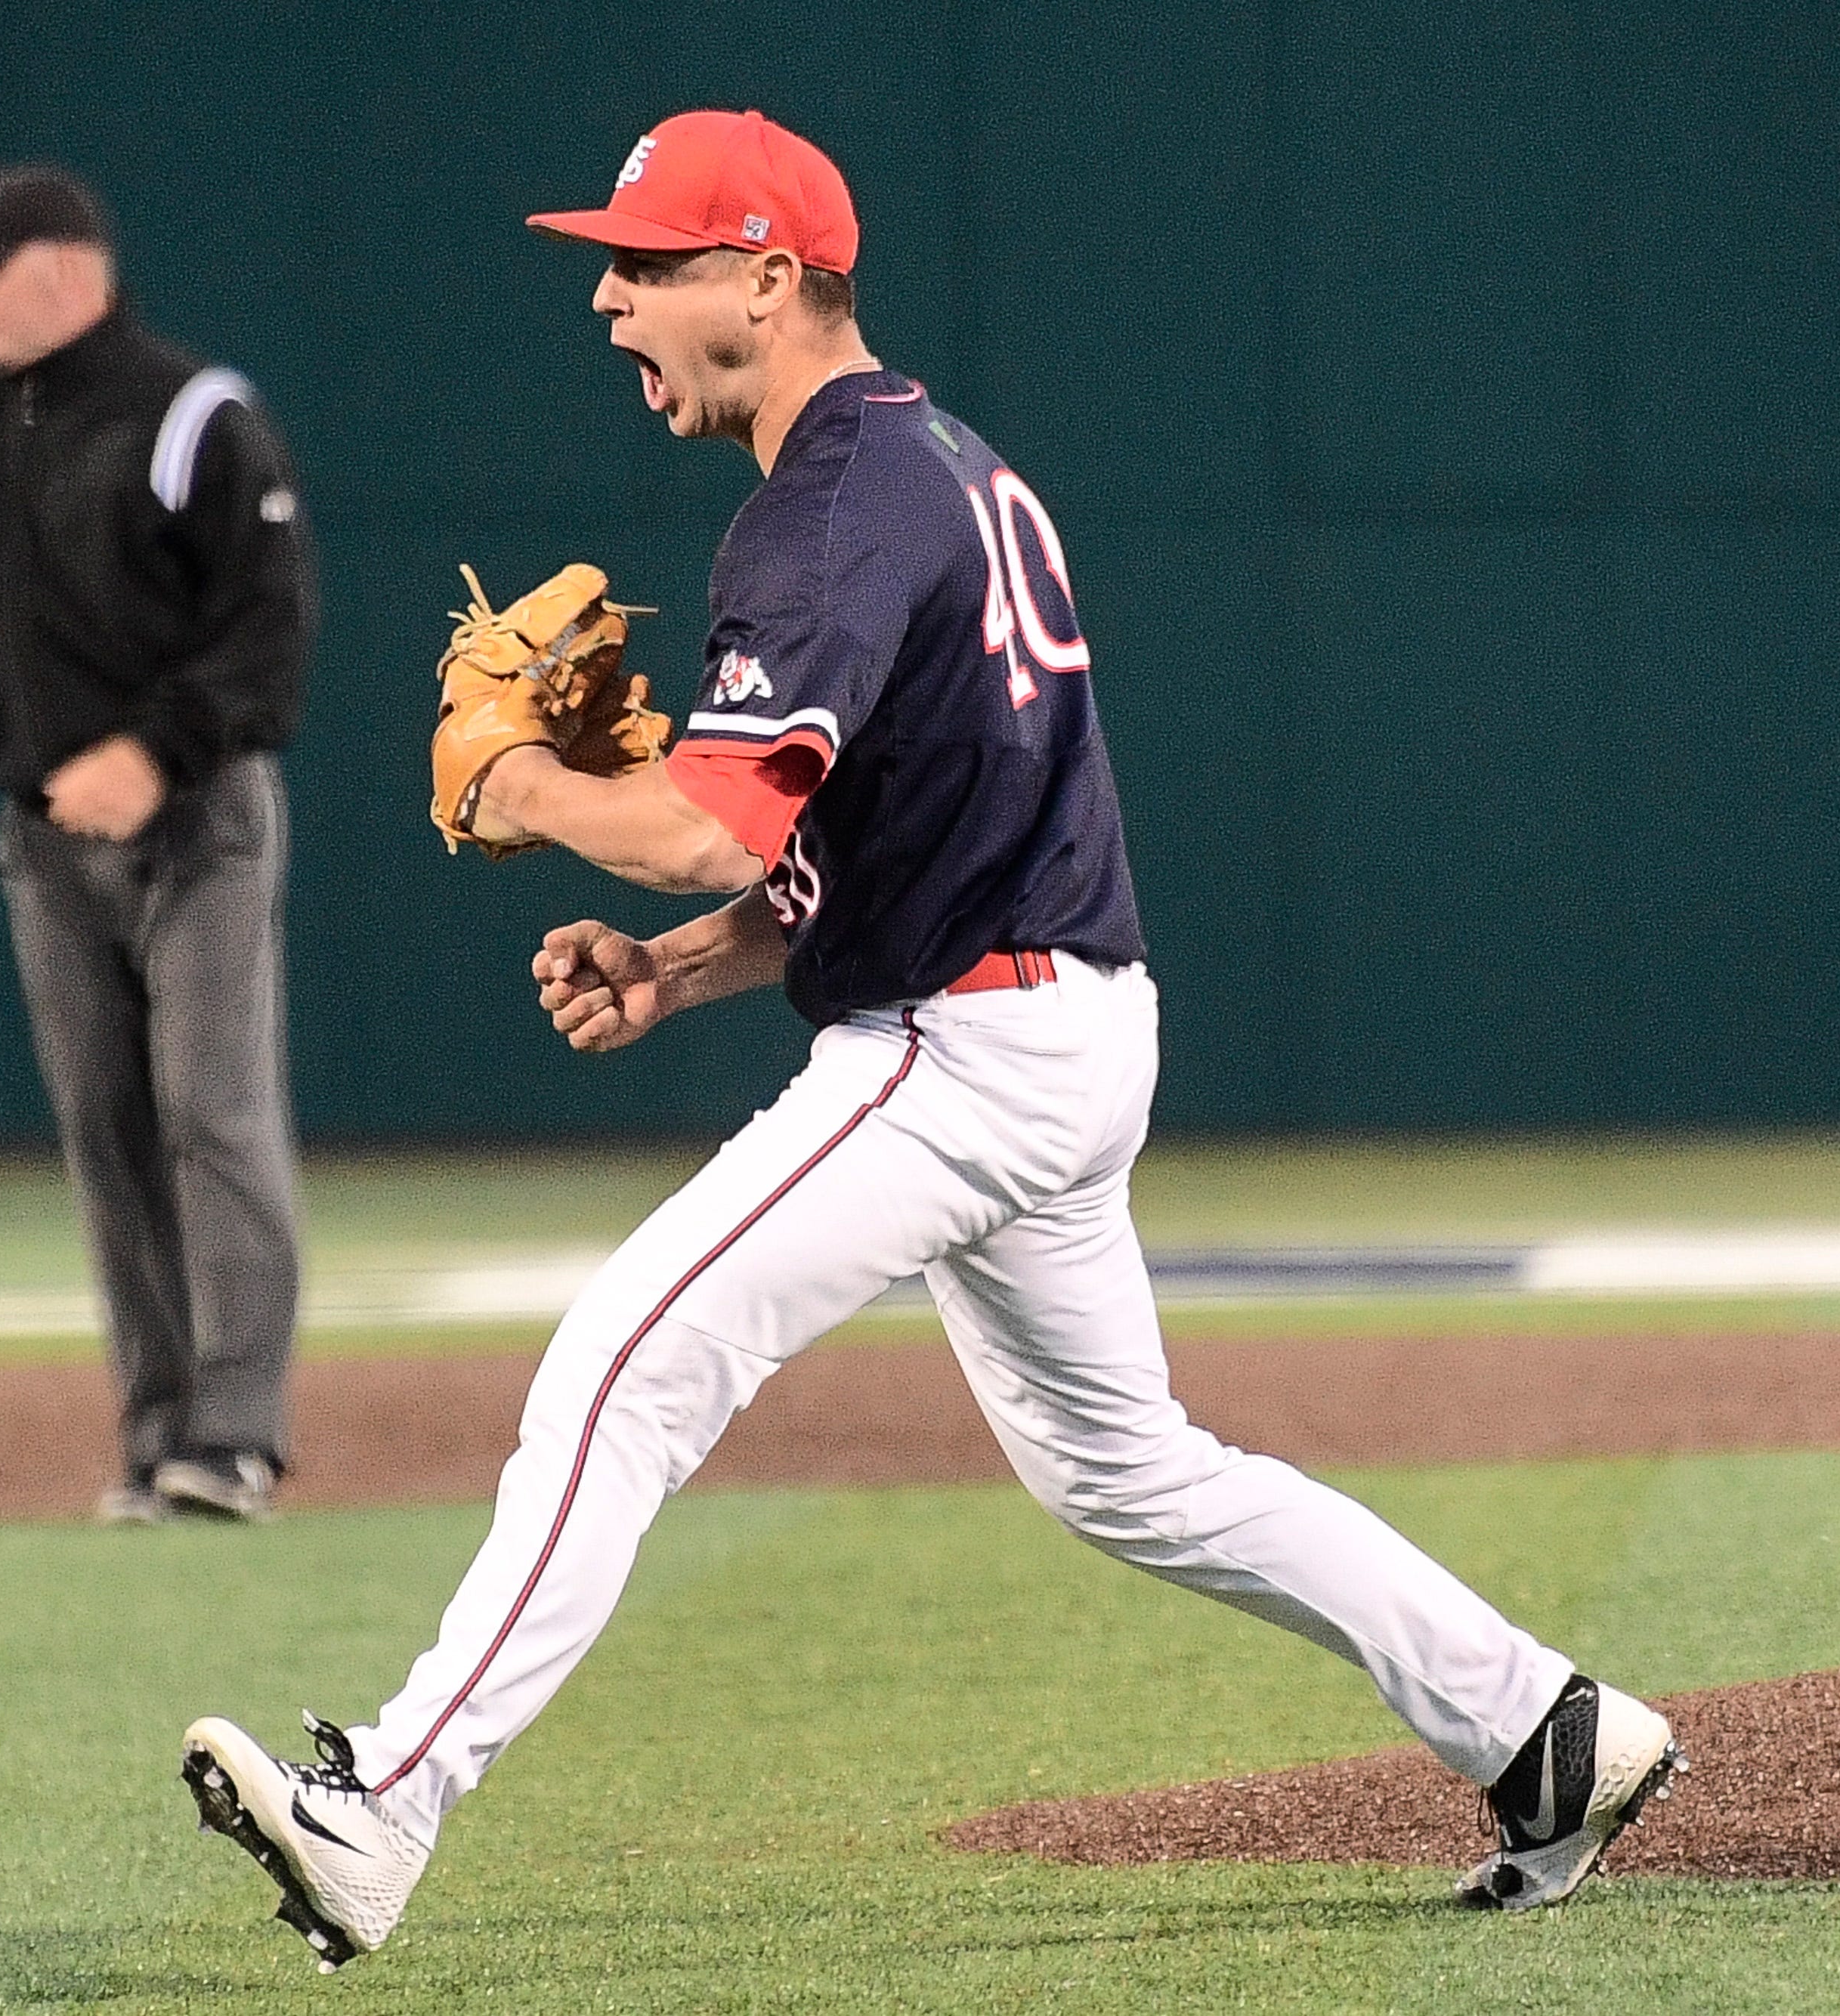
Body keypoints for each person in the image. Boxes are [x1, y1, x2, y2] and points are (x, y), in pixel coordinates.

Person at [178, 110, 1678, 1972]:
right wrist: (677, 972)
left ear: (769, 279)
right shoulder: (947, 467)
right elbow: (878, 838)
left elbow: (713, 822)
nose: (607, 292)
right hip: (1056, 1021)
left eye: (648, 262)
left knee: (621, 1370)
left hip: (957, 1058)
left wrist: (529, 785)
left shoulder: (824, 513)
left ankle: (383, 1802)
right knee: (1133, 1476)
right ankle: (1546, 1733)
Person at [0, 164, 315, 1525]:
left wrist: (153, 749)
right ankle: (157, 1432)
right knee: (107, 1129)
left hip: (198, 821)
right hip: (43, 837)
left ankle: (236, 1431)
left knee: (211, 1110)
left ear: (68, 266)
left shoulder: (193, 414)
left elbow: (269, 631)